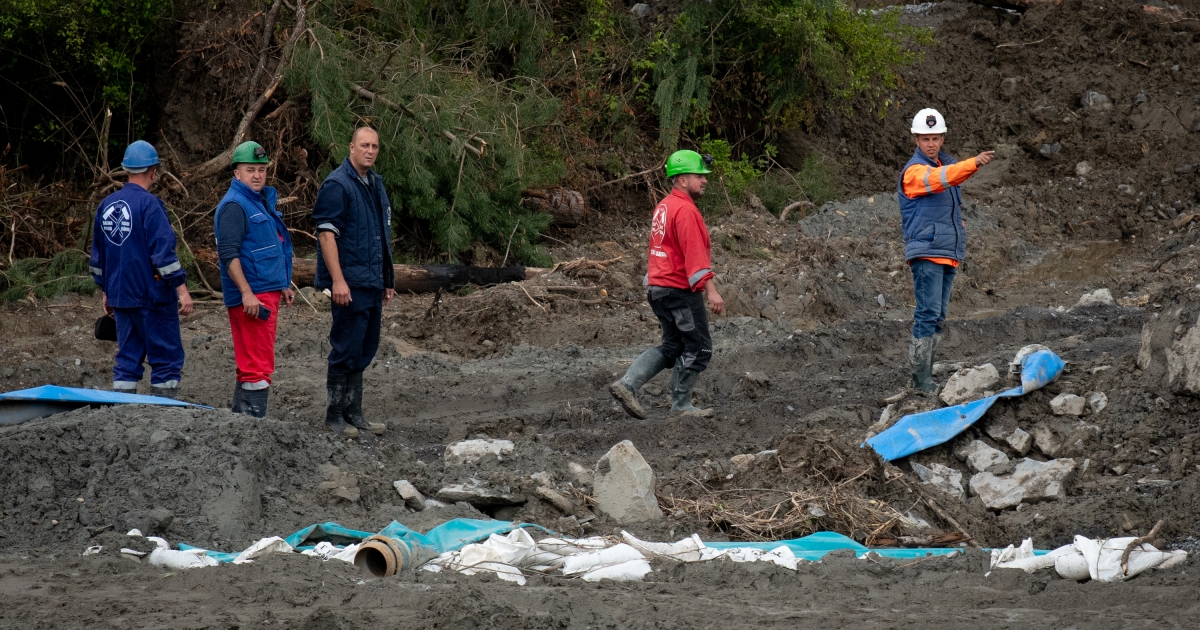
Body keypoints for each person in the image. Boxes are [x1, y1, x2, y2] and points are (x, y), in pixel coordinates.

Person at [609, 149, 725, 419]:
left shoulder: (664, 206)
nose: (704, 180)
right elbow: (694, 258)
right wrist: (712, 291)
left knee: (673, 346)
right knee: (699, 347)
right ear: (682, 179)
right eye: (699, 175)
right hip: (679, 291)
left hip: (658, 289)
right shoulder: (686, 211)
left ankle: (628, 384)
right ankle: (681, 405)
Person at [88, 140, 194, 396]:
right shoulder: (150, 205)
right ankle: (163, 415)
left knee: (128, 357)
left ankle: (123, 416)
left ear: (126, 170)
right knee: (166, 358)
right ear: (153, 172)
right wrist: (182, 290)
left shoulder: (105, 206)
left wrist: (106, 292)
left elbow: (98, 258)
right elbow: (164, 256)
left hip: (121, 297)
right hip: (152, 297)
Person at [899, 108, 994, 391]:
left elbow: (949, 182)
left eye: (936, 137)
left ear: (942, 138)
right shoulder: (915, 172)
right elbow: (940, 178)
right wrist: (973, 163)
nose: (931, 143)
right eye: (926, 138)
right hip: (927, 251)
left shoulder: (945, 166)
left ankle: (924, 377)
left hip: (947, 251)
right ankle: (921, 381)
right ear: (916, 139)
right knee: (927, 313)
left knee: (937, 315)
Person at [312, 127, 393, 437]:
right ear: (352, 147)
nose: (370, 151)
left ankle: (354, 412)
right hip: (350, 283)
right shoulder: (337, 185)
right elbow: (326, 234)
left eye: (374, 145)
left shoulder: (375, 184)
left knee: (365, 347)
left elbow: (382, 235)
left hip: (372, 282)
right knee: (345, 347)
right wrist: (338, 281)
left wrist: (388, 279)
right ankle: (334, 416)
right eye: (364, 145)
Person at [214, 141, 295, 417]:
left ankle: (242, 423)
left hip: (264, 292)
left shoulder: (258, 202)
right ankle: (252, 426)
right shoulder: (235, 206)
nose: (257, 175)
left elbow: (272, 246)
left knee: (253, 362)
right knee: (257, 365)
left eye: (261, 169)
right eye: (251, 170)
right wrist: (247, 293)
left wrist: (283, 284)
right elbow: (228, 254)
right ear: (237, 173)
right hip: (252, 298)